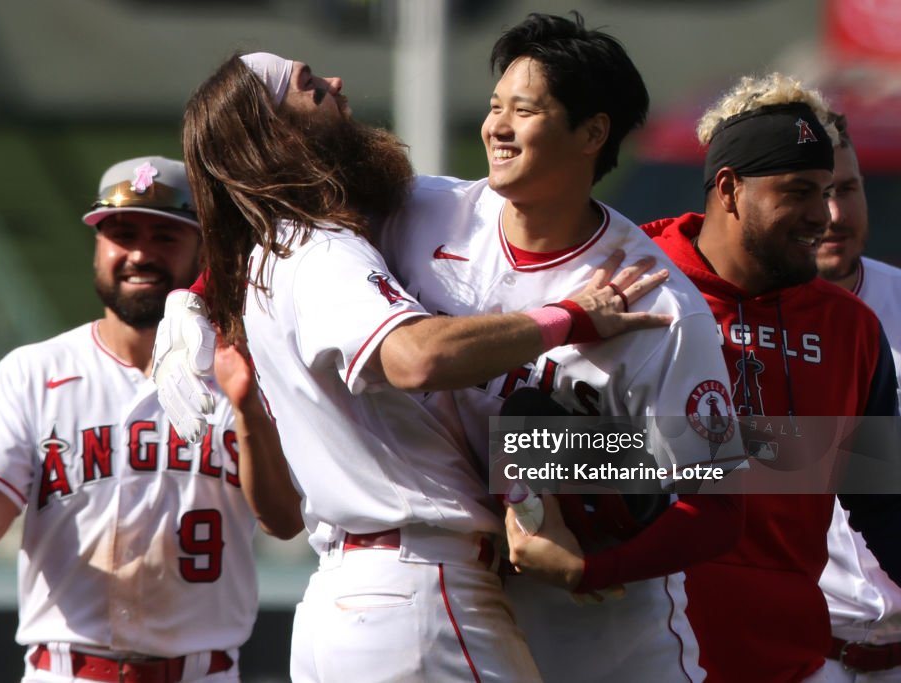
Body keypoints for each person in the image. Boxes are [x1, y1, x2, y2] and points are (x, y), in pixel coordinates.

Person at [177, 48, 674, 682]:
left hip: (362, 597)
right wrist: (571, 317)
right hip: (415, 593)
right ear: (276, 132)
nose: (334, 82)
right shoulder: (321, 249)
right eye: (307, 86)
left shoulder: (274, 252)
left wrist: (192, 292)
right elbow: (418, 357)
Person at [379, 13, 745, 682]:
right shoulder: (425, 214)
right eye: (495, 106)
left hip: (613, 642)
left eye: (525, 110)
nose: (497, 127)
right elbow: (306, 233)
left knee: (535, 432)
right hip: (464, 615)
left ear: (592, 132)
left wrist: (591, 561)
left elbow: (716, 504)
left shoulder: (657, 303)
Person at [0, 156, 301, 683]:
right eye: (122, 233)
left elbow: (285, 521)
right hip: (66, 672)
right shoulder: (35, 372)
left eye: (165, 236)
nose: (140, 254)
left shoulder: (243, 372)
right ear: (99, 247)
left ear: (201, 249)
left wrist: (248, 406)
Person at [641, 74, 901, 682]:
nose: (824, 215)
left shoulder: (850, 328)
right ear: (729, 190)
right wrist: (761, 447)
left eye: (836, 189)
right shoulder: (632, 281)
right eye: (800, 191)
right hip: (641, 652)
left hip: (792, 663)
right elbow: (529, 449)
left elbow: (885, 505)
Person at [817, 112, 901, 681]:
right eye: (812, 194)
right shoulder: (700, 315)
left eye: (847, 190)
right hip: (791, 655)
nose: (834, 216)